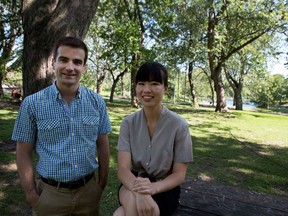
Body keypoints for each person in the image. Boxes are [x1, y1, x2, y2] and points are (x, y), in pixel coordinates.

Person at [12, 36, 112, 216]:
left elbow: (103, 143)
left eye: (77, 62)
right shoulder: (32, 104)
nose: (70, 67)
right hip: (50, 195)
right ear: (53, 63)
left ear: (84, 67)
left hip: (88, 192)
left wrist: (102, 183)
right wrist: (31, 194)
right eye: (64, 60)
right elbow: (23, 150)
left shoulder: (97, 102)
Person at [113, 61, 193, 216]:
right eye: (141, 83)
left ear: (165, 88)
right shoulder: (128, 123)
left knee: (120, 214)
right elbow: (123, 169)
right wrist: (142, 191)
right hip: (132, 182)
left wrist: (152, 188)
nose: (146, 90)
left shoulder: (179, 126)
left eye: (155, 83)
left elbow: (179, 174)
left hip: (164, 187)